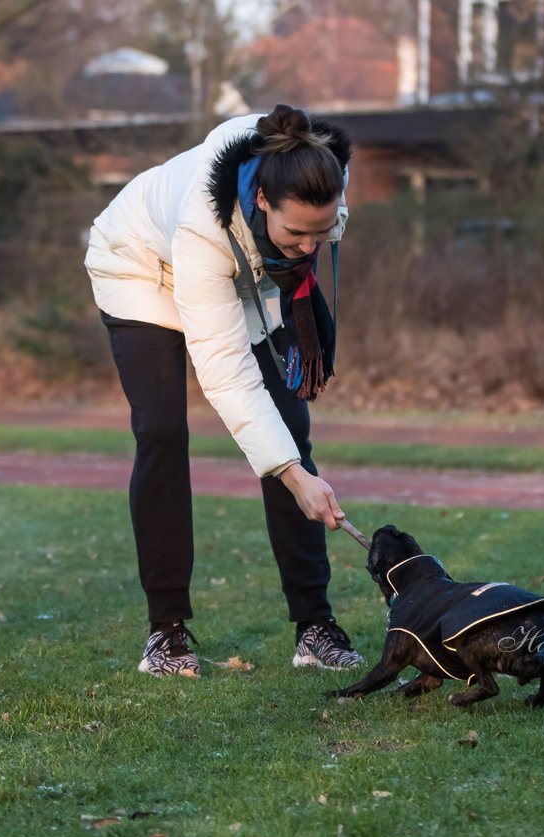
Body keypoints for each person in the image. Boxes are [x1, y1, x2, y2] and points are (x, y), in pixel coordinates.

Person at [84, 104, 364, 678]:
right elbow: (226, 370)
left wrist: (292, 463)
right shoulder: (202, 226)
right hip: (141, 270)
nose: (311, 246)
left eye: (322, 230)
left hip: (245, 277)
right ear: (262, 200)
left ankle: (314, 626)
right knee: (161, 429)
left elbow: (294, 253)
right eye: (298, 232)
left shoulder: (318, 172)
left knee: (289, 432)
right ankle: (166, 632)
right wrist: (292, 475)